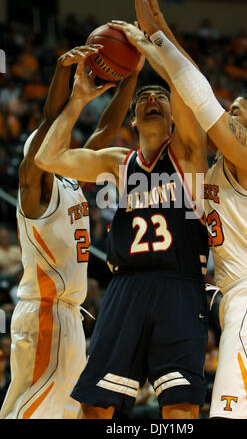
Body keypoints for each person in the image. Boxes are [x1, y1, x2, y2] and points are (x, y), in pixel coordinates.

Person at [133, 0, 247, 419]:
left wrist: (161, 43)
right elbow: (192, 94)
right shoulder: (215, 172)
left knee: (228, 413)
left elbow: (203, 101)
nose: (227, 114)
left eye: (236, 112)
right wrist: (160, 28)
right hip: (242, 298)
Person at [34, 20, 209, 419]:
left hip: (178, 286)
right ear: (131, 120)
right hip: (124, 287)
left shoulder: (187, 153)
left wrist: (147, 50)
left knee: (181, 407)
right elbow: (47, 158)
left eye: (160, 98)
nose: (152, 99)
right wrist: (78, 99)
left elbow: (187, 84)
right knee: (95, 407)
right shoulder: (118, 164)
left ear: (173, 116)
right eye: (144, 97)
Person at [0, 43, 142, 419]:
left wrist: (132, 74)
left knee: (62, 412)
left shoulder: (70, 180)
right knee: (34, 413)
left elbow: (107, 128)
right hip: (46, 312)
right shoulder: (36, 189)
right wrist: (65, 76)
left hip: (68, 317)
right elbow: (51, 121)